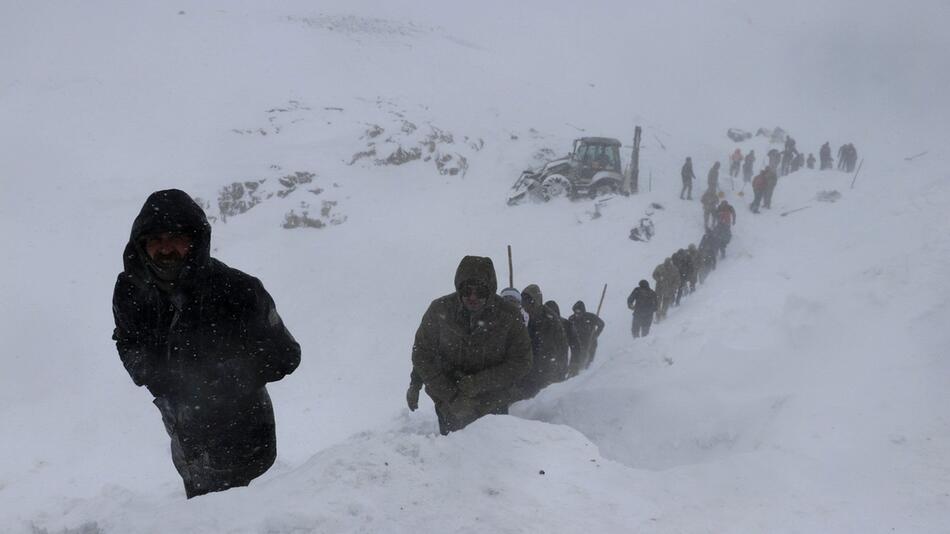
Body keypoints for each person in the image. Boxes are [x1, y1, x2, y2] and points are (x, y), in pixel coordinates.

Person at [112, 189, 301, 498]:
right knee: (202, 504)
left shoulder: (239, 290)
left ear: (195, 241)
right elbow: (128, 340)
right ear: (141, 246)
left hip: (247, 431)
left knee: (251, 513)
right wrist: (150, 373)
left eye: (175, 238)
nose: (165, 249)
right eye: (155, 240)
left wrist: (227, 378)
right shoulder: (130, 291)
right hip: (184, 432)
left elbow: (286, 354)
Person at [412, 256, 532, 435]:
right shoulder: (440, 310)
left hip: (493, 405)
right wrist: (449, 395)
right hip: (449, 405)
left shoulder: (509, 316)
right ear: (459, 288)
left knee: (494, 459)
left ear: (490, 291)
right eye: (467, 290)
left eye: (481, 292)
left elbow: (522, 361)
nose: (473, 297)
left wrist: (477, 384)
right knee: (451, 456)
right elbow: (422, 353)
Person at [518, 284, 569, 398]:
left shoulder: (548, 319)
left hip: (548, 372)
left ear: (535, 301)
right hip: (535, 370)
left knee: (539, 403)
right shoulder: (528, 317)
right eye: (523, 301)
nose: (525, 305)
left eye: (528, 301)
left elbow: (546, 351)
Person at [546, 301, 581, 377]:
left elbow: (575, 346)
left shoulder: (566, 325)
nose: (549, 317)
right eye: (547, 314)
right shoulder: (538, 323)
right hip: (539, 369)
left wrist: (574, 365)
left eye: (552, 314)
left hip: (559, 368)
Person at [568, 301, 605, 372]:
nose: (577, 314)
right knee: (578, 361)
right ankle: (576, 375)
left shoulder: (591, 317)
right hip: (578, 344)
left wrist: (595, 335)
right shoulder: (571, 319)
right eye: (575, 312)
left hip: (590, 343)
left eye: (579, 312)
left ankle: (588, 375)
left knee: (589, 362)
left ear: (583, 311)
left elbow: (601, 324)